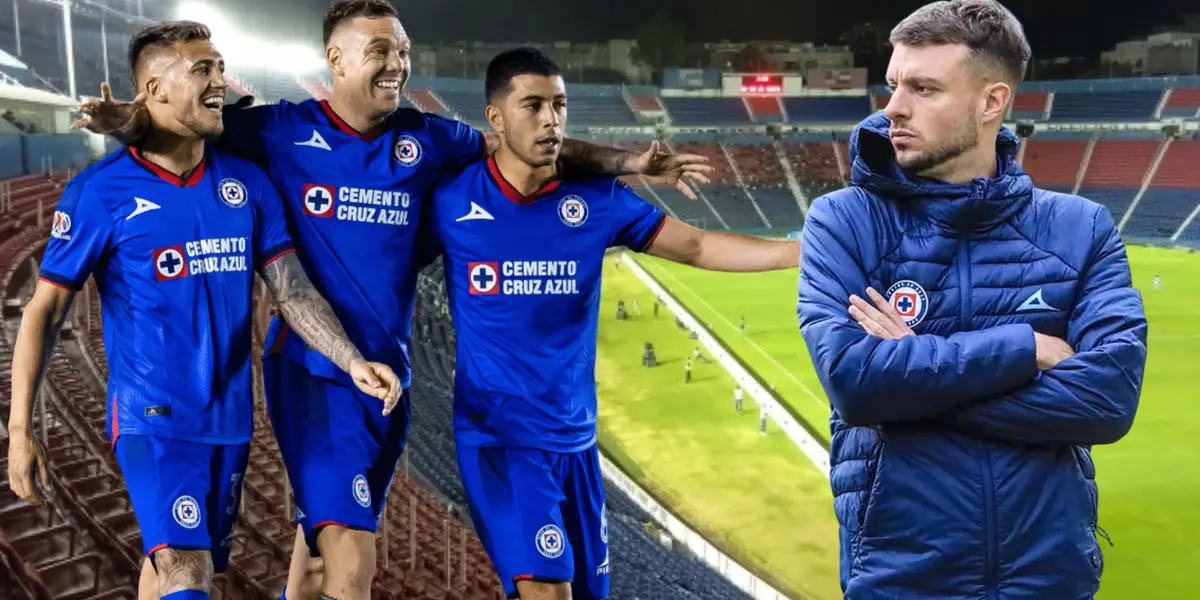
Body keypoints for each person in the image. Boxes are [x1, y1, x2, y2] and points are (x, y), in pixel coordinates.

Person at [74, 2, 711, 599]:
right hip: (312, 370)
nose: (398, 64)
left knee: (317, 552)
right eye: (380, 50)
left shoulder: (430, 139)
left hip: (387, 376)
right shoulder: (278, 130)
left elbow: (527, 147)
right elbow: (185, 121)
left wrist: (631, 162)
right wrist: (128, 119)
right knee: (352, 560)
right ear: (337, 60)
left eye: (404, 51)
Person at [5, 21, 401, 600]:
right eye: (202, 70)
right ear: (154, 90)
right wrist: (20, 430)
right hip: (152, 418)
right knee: (187, 572)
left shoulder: (248, 185)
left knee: (176, 569)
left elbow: (291, 291)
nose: (220, 81)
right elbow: (44, 311)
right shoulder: (100, 193)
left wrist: (351, 360)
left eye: (220, 67)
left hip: (229, 421)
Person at [795, 2, 1147, 598]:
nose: (893, 108)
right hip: (899, 579)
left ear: (992, 102)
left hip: (1049, 579)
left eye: (924, 88)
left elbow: (1107, 400)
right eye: (894, 85)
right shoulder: (844, 221)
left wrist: (913, 380)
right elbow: (854, 382)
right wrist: (1023, 349)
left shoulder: (1081, 228)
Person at [425, 48, 800, 600]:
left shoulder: (596, 200)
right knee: (547, 590)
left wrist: (801, 252)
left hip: (577, 441)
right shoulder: (450, 199)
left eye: (559, 105)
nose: (551, 119)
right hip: (500, 438)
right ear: (495, 117)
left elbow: (696, 247)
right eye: (533, 105)